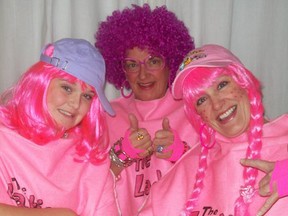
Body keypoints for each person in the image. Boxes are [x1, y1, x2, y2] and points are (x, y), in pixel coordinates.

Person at [138, 44, 288, 216]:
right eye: (201, 100)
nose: (217, 104)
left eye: (222, 85)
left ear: (244, 82)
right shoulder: (190, 166)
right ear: (198, 115)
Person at [95, 4, 199, 215]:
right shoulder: (106, 115)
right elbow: (84, 186)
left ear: (171, 62)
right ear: (120, 68)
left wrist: (183, 155)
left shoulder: (196, 110)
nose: (143, 75)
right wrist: (119, 157)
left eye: (153, 61)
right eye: (132, 64)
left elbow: (222, 177)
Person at [0, 38, 119, 215]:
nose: (75, 103)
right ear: (41, 82)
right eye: (67, 88)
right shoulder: (4, 138)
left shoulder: (90, 160)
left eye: (87, 96)